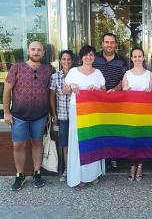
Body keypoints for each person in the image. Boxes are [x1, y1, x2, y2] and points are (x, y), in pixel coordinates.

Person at [3, 41, 52, 191]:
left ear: (43, 53)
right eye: (33, 49)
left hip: (40, 115)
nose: (36, 52)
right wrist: (6, 112)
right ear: (28, 51)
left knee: (37, 143)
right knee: (18, 145)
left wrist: (50, 112)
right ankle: (20, 174)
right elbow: (6, 91)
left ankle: (37, 172)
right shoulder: (16, 68)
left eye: (39, 50)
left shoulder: (49, 70)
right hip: (19, 116)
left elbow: (51, 93)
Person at [64, 45, 106, 188]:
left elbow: (104, 91)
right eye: (86, 55)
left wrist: (98, 89)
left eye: (91, 55)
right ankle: (79, 176)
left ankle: (93, 175)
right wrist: (71, 86)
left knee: (92, 140)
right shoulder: (73, 72)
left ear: (94, 57)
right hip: (77, 109)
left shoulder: (98, 73)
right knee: (78, 140)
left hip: (93, 111)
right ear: (81, 57)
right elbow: (64, 90)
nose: (88, 57)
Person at [93, 33, 128, 172]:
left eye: (112, 42)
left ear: (116, 44)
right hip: (97, 101)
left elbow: (124, 79)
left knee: (113, 130)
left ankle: (113, 158)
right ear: (102, 43)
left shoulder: (122, 61)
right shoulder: (93, 57)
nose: (109, 45)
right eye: (107, 42)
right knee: (99, 129)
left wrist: (114, 90)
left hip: (115, 100)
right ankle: (100, 159)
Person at [122, 47, 152, 181]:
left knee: (142, 140)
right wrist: (125, 90)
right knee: (131, 141)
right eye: (135, 56)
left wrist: (149, 92)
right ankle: (132, 166)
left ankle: (140, 165)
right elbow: (122, 95)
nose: (137, 59)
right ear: (131, 58)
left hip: (145, 113)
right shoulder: (127, 74)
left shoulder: (150, 74)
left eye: (140, 56)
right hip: (130, 113)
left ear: (143, 57)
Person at [49, 50, 74, 182]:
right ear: (60, 61)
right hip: (63, 116)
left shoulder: (77, 75)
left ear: (72, 61)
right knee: (64, 144)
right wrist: (54, 114)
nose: (66, 62)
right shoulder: (55, 77)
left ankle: (76, 169)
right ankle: (67, 170)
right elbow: (52, 97)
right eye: (63, 59)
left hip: (77, 117)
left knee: (75, 144)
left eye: (69, 59)